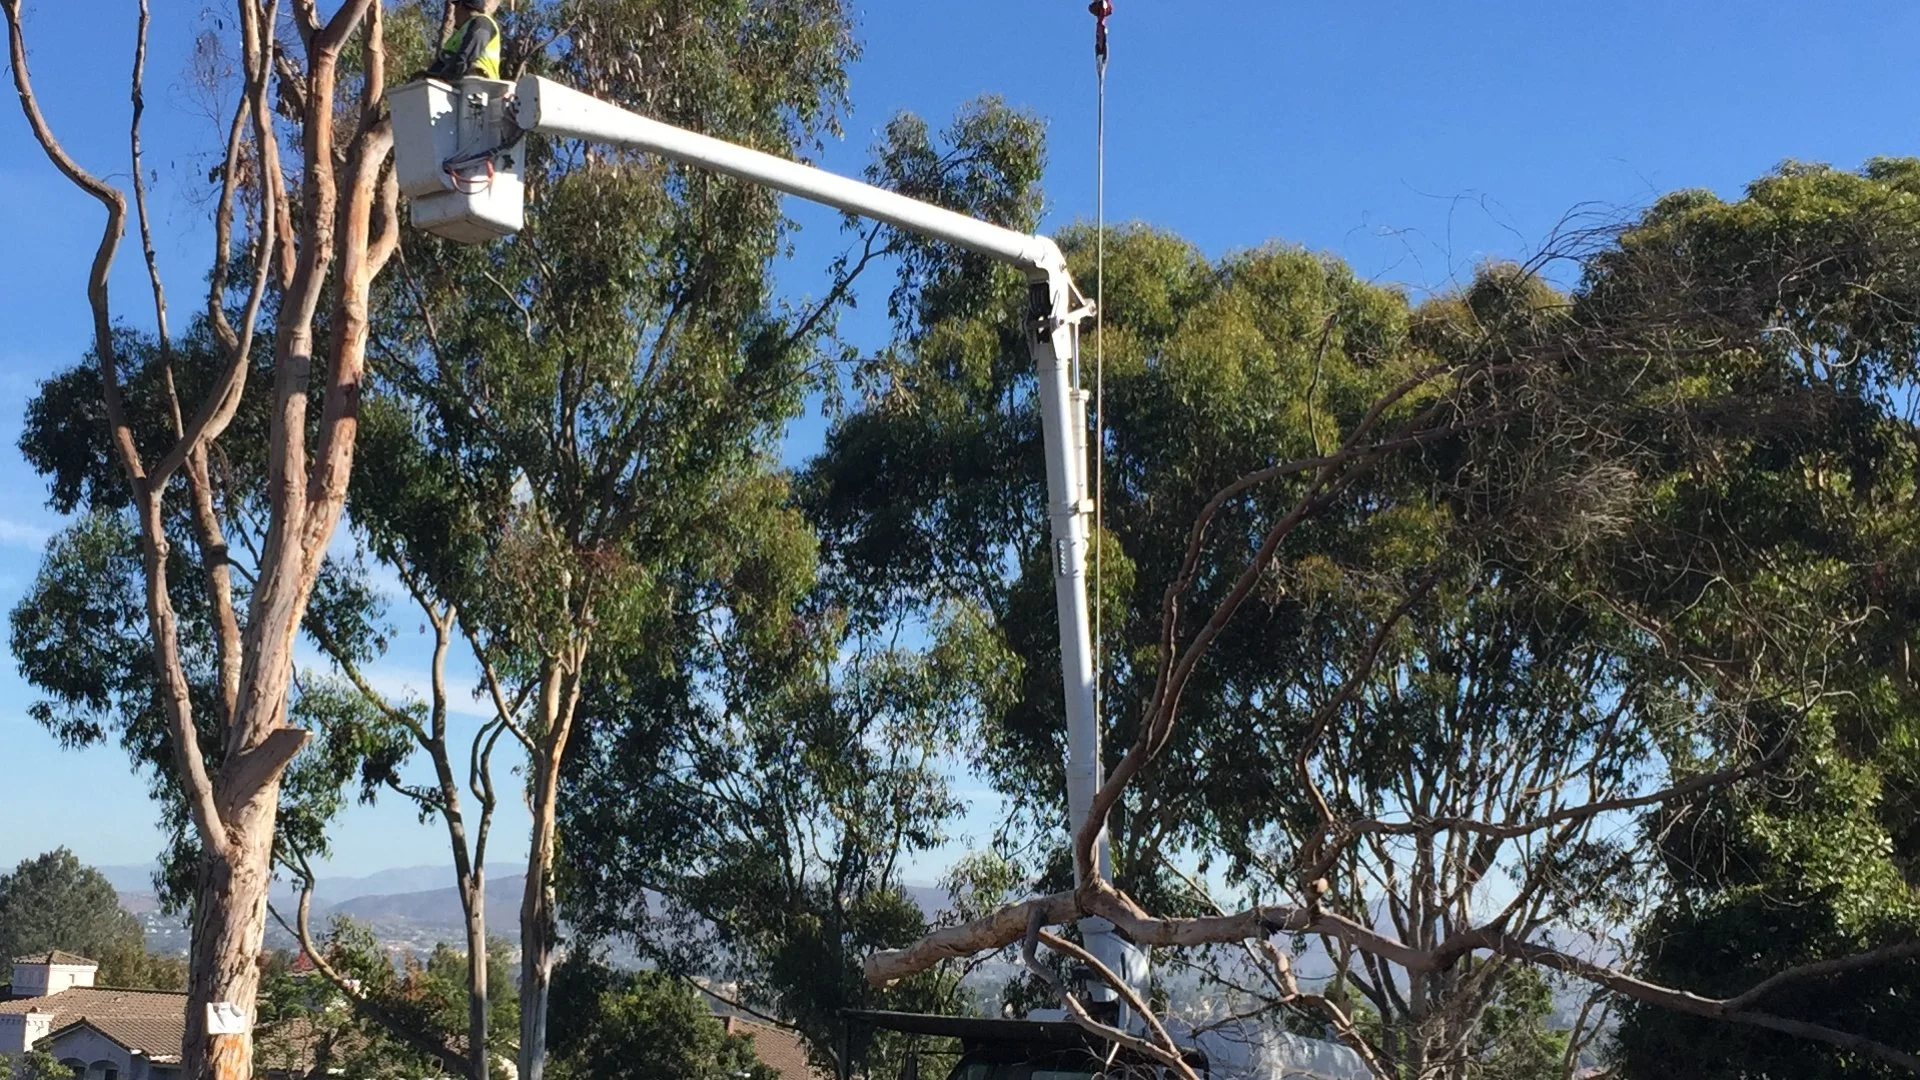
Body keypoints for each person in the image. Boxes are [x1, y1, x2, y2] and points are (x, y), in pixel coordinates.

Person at [426, 0, 501, 81]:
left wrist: (447, 77)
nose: (454, 14)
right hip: (462, 83)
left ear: (460, 6)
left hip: (480, 84)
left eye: (455, 7)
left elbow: (466, 56)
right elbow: (443, 62)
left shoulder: (482, 23)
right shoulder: (462, 32)